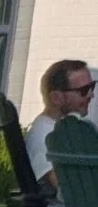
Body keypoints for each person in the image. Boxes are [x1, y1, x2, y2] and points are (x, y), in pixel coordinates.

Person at [23, 57, 95, 189]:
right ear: (56, 98)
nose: (91, 95)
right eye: (84, 90)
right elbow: (66, 188)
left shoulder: (59, 130)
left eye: (92, 87)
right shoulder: (44, 136)